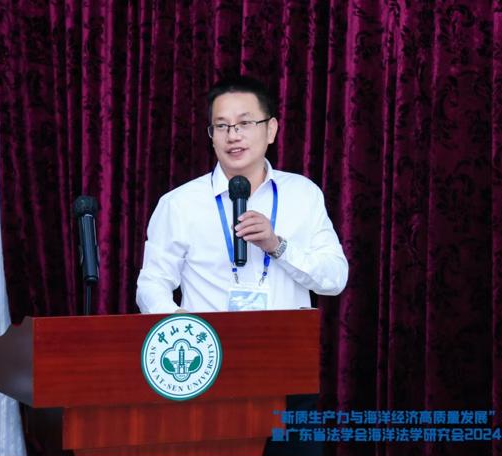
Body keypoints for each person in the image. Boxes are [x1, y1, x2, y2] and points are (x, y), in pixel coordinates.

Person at [136, 75, 348, 313]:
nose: (233, 136)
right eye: (221, 126)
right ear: (211, 136)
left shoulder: (303, 194)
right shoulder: (179, 204)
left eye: (244, 123)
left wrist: (277, 246)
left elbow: (335, 279)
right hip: (211, 337)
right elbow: (151, 284)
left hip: (283, 337)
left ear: (271, 130)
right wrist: (177, 319)